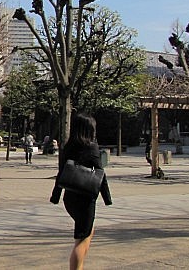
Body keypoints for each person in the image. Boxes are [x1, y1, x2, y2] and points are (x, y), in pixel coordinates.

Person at [50, 113, 112, 270]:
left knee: (86, 233)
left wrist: (56, 196)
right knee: (82, 238)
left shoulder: (68, 146)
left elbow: (61, 172)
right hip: (85, 197)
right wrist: (107, 198)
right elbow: (100, 173)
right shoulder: (91, 146)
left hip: (70, 196)